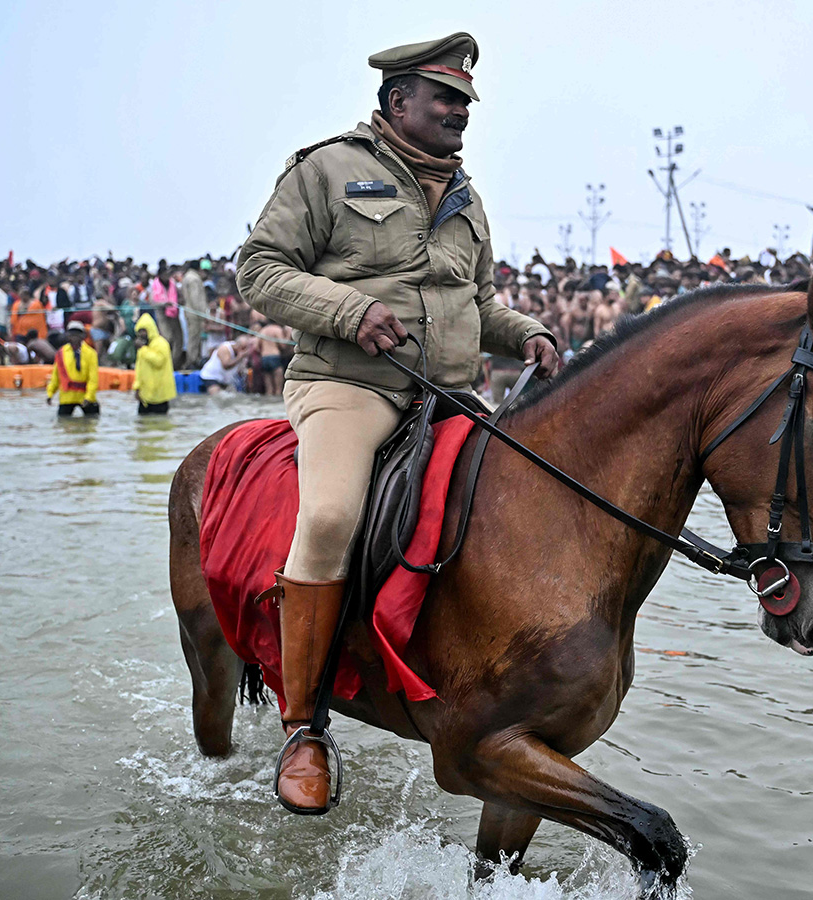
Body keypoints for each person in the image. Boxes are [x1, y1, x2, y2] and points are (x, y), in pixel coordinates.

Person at [236, 32, 558, 815]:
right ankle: (305, 728)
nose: (459, 113)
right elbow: (258, 271)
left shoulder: (467, 198)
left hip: (445, 394)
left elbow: (475, 303)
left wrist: (526, 334)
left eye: (465, 103)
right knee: (332, 516)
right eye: (445, 99)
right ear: (397, 101)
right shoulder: (326, 169)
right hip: (348, 383)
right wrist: (349, 309)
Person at [47, 321, 100, 417]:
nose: (74, 337)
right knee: (63, 422)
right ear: (67, 336)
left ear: (83, 336)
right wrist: (50, 393)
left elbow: (93, 378)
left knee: (93, 419)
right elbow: (55, 376)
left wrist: (89, 397)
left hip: (85, 396)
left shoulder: (91, 353)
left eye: (77, 334)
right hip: (67, 396)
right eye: (72, 334)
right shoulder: (61, 353)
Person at [132, 312, 177, 414]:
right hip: (145, 397)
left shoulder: (161, 343)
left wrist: (143, 349)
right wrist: (137, 388)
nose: (141, 334)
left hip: (160, 396)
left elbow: (158, 361)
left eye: (144, 331)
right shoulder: (144, 347)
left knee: (160, 425)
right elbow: (139, 370)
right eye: (139, 331)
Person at [149, 264, 185, 369]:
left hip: (174, 314)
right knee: (167, 338)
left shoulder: (173, 284)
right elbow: (152, 302)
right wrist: (164, 304)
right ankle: (165, 361)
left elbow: (179, 296)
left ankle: (174, 362)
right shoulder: (154, 286)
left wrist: (180, 300)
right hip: (162, 314)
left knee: (178, 338)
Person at [180, 261, 208, 369]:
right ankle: (192, 361)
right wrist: (203, 314)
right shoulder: (194, 279)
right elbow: (196, 299)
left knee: (192, 337)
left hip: (189, 310)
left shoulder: (187, 277)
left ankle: (193, 359)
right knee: (194, 338)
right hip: (195, 313)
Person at [257, 320, 289, 395]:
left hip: (264, 358)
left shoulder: (263, 330)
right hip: (275, 357)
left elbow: (257, 347)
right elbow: (283, 345)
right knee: (278, 389)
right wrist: (287, 335)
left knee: (269, 389)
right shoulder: (277, 329)